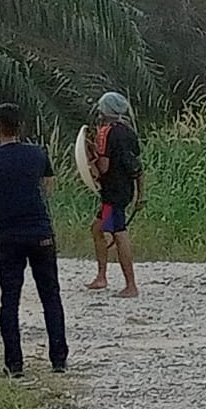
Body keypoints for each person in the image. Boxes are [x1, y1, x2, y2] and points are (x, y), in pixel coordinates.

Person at [0, 104, 68, 378]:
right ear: (20, 127)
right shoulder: (37, 153)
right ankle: (59, 359)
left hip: (9, 235)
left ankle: (14, 364)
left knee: (10, 299)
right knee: (50, 295)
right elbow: (47, 187)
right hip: (40, 232)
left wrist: (0, 203)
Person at [86, 92, 144, 297]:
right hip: (125, 189)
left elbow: (104, 166)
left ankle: (130, 285)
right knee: (98, 228)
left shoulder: (105, 132)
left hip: (112, 192)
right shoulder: (128, 131)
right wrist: (140, 194)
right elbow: (136, 165)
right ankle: (101, 276)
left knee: (119, 233)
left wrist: (92, 162)